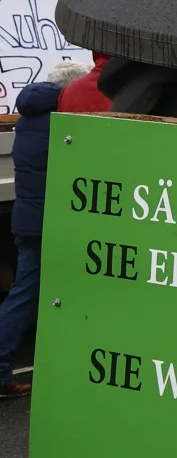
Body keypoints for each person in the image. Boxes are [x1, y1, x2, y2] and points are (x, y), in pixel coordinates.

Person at [0, 59, 87, 397]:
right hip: (53, 221)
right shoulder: (63, 123)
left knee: (24, 293)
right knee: (30, 296)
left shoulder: (28, 118)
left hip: (28, 218)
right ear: (70, 89)